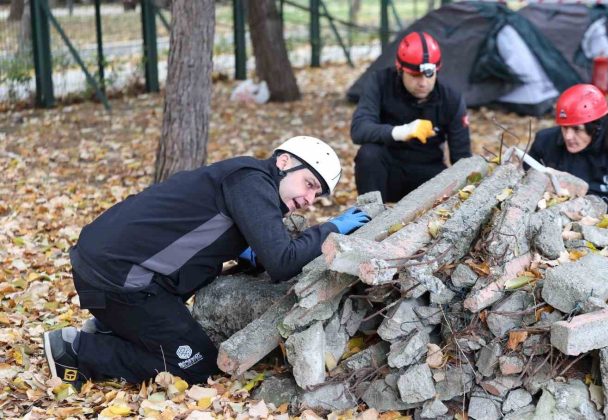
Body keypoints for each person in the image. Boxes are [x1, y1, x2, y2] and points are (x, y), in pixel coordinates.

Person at [43, 136, 371, 389]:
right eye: (310, 184)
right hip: (118, 280)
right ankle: (78, 352)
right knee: (196, 364)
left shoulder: (245, 179)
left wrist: (245, 250)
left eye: (318, 196)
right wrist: (331, 229)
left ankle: (111, 327)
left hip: (111, 270)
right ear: (283, 161)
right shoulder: (252, 183)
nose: (308, 200)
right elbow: (282, 262)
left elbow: (206, 229)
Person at [351, 31, 472, 202]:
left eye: (429, 75)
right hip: (388, 168)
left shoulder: (450, 97)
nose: (423, 82)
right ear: (400, 70)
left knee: (447, 180)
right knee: (368, 154)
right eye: (414, 75)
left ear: (437, 69)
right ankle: (369, 217)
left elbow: (462, 157)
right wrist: (402, 131)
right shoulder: (380, 82)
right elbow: (359, 129)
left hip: (427, 171)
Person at [528, 84, 608, 218]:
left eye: (577, 129)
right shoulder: (545, 142)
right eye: (564, 128)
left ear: (596, 127)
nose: (568, 137)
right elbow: (526, 188)